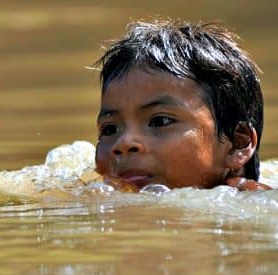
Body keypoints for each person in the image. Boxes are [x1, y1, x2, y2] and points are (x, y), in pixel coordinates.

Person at [94, 19, 271, 191]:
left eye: (160, 121)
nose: (124, 142)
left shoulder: (253, 204)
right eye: (109, 129)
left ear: (237, 144)